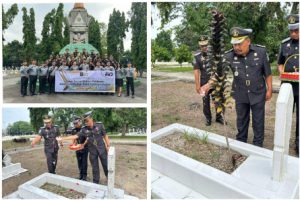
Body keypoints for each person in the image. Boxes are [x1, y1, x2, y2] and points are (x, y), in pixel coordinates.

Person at [202, 27, 272, 147]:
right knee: (241, 120)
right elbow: (219, 73)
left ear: (248, 41)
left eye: (239, 44)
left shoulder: (260, 52)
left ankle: (258, 145)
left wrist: (269, 89)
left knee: (258, 121)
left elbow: (268, 73)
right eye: (234, 44)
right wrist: (209, 84)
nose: (237, 47)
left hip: (258, 92)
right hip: (240, 93)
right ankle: (241, 144)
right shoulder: (229, 55)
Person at [57, 111, 110, 184]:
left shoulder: (99, 125)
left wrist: (108, 145)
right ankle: (96, 182)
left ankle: (109, 179)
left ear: (91, 119)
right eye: (84, 121)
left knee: (106, 165)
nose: (86, 122)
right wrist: (63, 138)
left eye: (87, 120)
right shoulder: (84, 129)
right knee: (95, 168)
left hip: (102, 149)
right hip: (92, 151)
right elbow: (75, 136)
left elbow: (105, 135)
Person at [277, 14, 299, 155]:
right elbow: (280, 63)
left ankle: (298, 143)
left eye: (296, 30)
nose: (293, 33)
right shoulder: (285, 44)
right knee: (284, 115)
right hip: (288, 87)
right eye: (291, 31)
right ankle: (282, 142)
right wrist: (281, 73)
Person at [193, 35, 225, 126]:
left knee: (218, 101)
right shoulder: (197, 57)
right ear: (199, 46)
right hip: (203, 83)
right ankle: (208, 118)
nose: (204, 47)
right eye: (202, 46)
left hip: (215, 83)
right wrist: (197, 85)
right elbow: (196, 71)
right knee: (205, 102)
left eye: (206, 45)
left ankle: (219, 117)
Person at [71, 116, 88, 181]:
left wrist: (83, 145)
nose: (75, 125)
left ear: (80, 122)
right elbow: (74, 139)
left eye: (76, 123)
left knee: (84, 162)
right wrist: (73, 144)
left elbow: (88, 138)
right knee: (79, 161)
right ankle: (80, 175)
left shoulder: (84, 129)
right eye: (74, 123)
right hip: (77, 148)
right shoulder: (73, 130)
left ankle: (84, 176)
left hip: (85, 147)